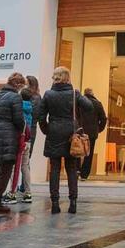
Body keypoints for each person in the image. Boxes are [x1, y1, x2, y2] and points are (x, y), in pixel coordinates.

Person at [36, 66, 91, 214]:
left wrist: (46, 130)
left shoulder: (48, 94)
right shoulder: (74, 93)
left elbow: (40, 116)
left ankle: (55, 203)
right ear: (67, 77)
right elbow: (89, 106)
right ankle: (73, 202)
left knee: (54, 169)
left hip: (54, 131)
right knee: (71, 168)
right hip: (70, 133)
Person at [0, 72, 26, 214]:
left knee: (2, 170)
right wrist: (22, 131)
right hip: (8, 137)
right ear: (19, 85)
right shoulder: (15, 97)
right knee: (6, 171)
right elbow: (19, 120)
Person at [7, 77, 39, 204]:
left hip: (19, 139)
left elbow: (17, 122)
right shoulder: (31, 108)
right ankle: (28, 192)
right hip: (28, 139)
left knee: (14, 166)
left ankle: (12, 192)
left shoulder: (18, 108)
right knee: (25, 166)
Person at [78, 87, 107, 180]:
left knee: (77, 151)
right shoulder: (97, 104)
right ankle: (84, 175)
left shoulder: (79, 103)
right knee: (88, 154)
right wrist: (98, 129)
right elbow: (103, 119)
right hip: (92, 133)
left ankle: (76, 170)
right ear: (92, 93)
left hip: (80, 131)